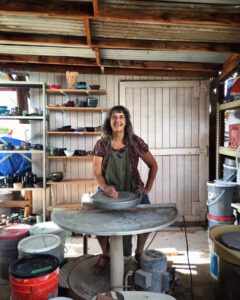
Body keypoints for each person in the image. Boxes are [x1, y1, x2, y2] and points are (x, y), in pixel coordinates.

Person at [92, 105, 158, 275]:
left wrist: (148, 187)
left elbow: (153, 165)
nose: (117, 120)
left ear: (126, 121)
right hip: (109, 190)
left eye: (121, 117)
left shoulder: (135, 142)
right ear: (109, 121)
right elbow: (97, 171)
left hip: (133, 189)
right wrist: (105, 187)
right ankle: (106, 254)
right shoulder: (102, 143)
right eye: (114, 117)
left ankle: (139, 252)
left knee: (147, 219)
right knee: (97, 222)